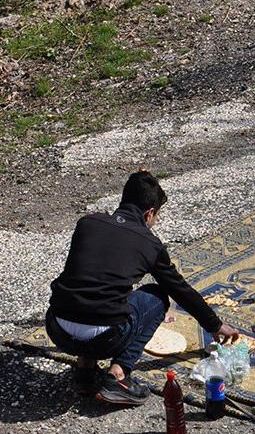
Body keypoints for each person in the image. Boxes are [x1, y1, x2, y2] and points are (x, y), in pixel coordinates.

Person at [46, 171, 240, 406]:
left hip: (57, 328)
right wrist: (215, 325)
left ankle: (85, 371)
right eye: (156, 216)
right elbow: (179, 288)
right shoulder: (149, 244)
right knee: (157, 296)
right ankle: (118, 375)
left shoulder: (88, 223)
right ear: (149, 213)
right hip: (105, 339)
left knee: (93, 296)